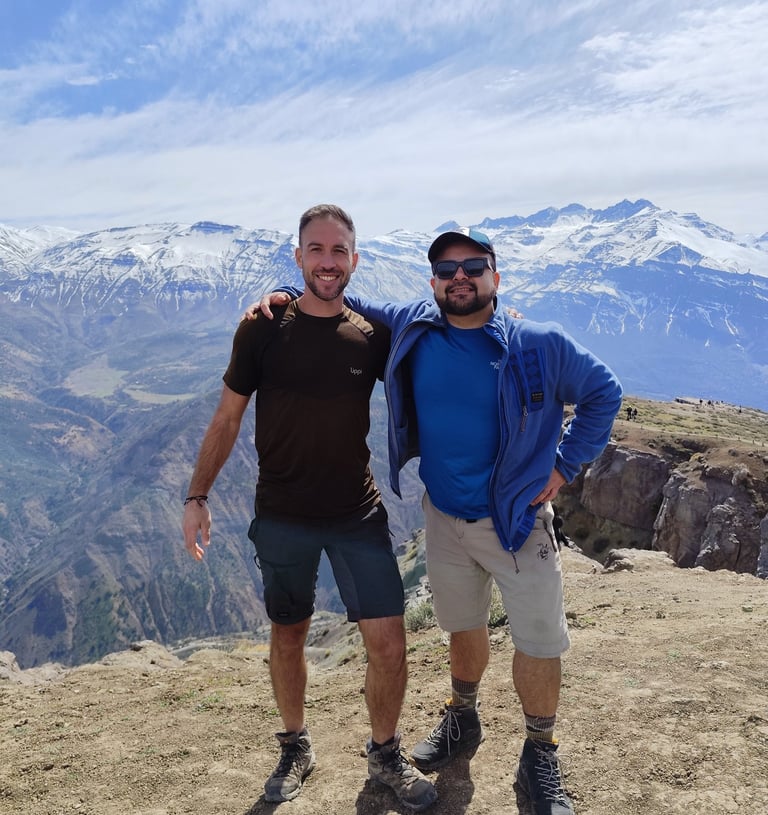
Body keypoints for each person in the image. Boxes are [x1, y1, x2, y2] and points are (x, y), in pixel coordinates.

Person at [252, 225, 623, 815]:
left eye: (474, 266)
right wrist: (281, 292)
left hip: (517, 521)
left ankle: (540, 752)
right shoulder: (414, 325)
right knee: (463, 624)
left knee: (538, 641)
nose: (460, 277)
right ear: (433, 283)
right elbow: (333, 294)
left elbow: (604, 392)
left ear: (495, 277)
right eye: (448, 269)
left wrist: (563, 465)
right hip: (443, 516)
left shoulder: (538, 343)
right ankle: (463, 717)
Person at [182, 204, 436, 812]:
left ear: (355, 259)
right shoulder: (263, 329)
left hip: (358, 512)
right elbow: (228, 416)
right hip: (283, 514)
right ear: (298, 257)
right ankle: (295, 744)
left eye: (338, 250)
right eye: (316, 250)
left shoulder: (372, 336)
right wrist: (197, 496)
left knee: (390, 644)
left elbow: (438, 340)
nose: (328, 261)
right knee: (288, 634)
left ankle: (384, 753)